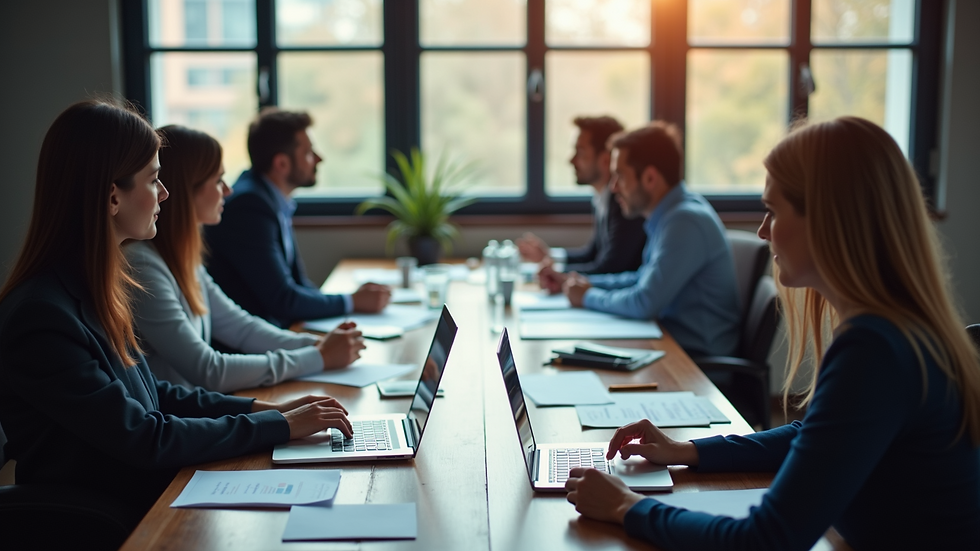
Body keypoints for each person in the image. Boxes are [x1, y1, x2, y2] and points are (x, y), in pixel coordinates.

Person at [564, 117, 980, 550]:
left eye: (774, 210)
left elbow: (768, 539)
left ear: (828, 220)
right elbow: (811, 433)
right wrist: (686, 451)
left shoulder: (874, 348)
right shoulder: (897, 328)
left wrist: (627, 507)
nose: (763, 231)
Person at [0, 100, 353, 525]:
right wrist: (279, 426)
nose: (165, 193)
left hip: (152, 487)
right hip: (111, 514)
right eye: (153, 179)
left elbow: (158, 395)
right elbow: (145, 436)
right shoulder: (41, 315)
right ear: (113, 195)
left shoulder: (97, 286)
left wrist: (269, 411)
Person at [125, 125, 366, 393]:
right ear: (187, 190)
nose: (228, 190)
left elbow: (242, 328)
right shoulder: (142, 265)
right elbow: (209, 370)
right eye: (218, 180)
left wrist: (318, 345)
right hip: (180, 421)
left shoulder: (182, 258)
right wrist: (318, 357)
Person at [544, 122, 740, 357]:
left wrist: (587, 296)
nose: (614, 187)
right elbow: (640, 279)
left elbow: (644, 301)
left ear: (649, 178)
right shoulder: (668, 216)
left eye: (620, 176)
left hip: (696, 362)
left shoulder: (684, 221)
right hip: (670, 345)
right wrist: (579, 282)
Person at [203, 108, 390, 328]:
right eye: (309, 153)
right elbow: (283, 299)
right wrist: (351, 301)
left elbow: (299, 284)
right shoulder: (250, 206)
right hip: (252, 343)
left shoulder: (271, 198)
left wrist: (351, 299)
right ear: (282, 163)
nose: (319, 158)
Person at [517, 116, 646, 275]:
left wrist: (557, 273)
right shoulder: (603, 198)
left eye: (580, 152)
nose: (571, 160)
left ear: (605, 160)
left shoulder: (624, 203)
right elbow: (592, 254)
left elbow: (610, 268)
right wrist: (549, 256)